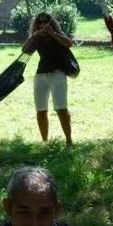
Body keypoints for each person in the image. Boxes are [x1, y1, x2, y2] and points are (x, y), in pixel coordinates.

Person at [23, 13, 74, 146]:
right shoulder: (37, 37)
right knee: (41, 110)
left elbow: (69, 44)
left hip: (58, 75)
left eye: (46, 21)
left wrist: (53, 34)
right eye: (40, 22)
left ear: (51, 23)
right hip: (40, 76)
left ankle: (69, 140)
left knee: (61, 108)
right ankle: (44, 141)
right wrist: (34, 35)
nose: (43, 24)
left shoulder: (58, 34)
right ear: (37, 24)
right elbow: (25, 50)